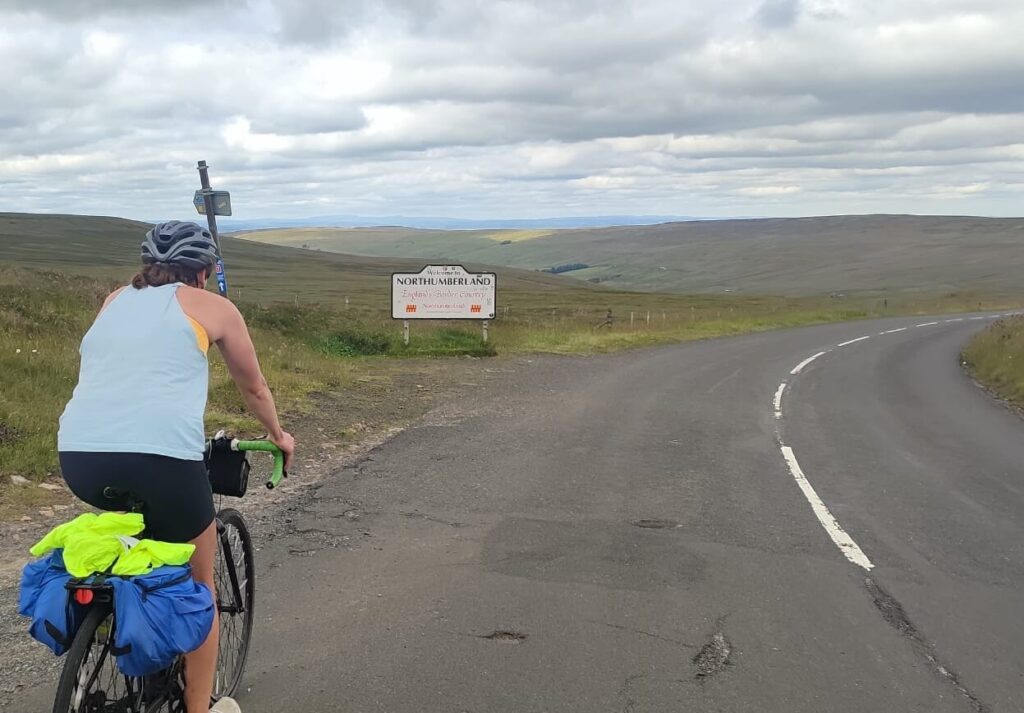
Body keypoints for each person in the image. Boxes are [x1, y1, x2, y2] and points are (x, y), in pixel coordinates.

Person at [57, 220, 295, 713]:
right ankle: (199, 709)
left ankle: (114, 622)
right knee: (199, 587)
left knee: (134, 545)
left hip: (79, 457)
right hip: (161, 459)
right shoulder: (215, 307)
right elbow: (253, 388)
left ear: (148, 265)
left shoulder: (114, 300)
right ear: (205, 271)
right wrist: (278, 436)